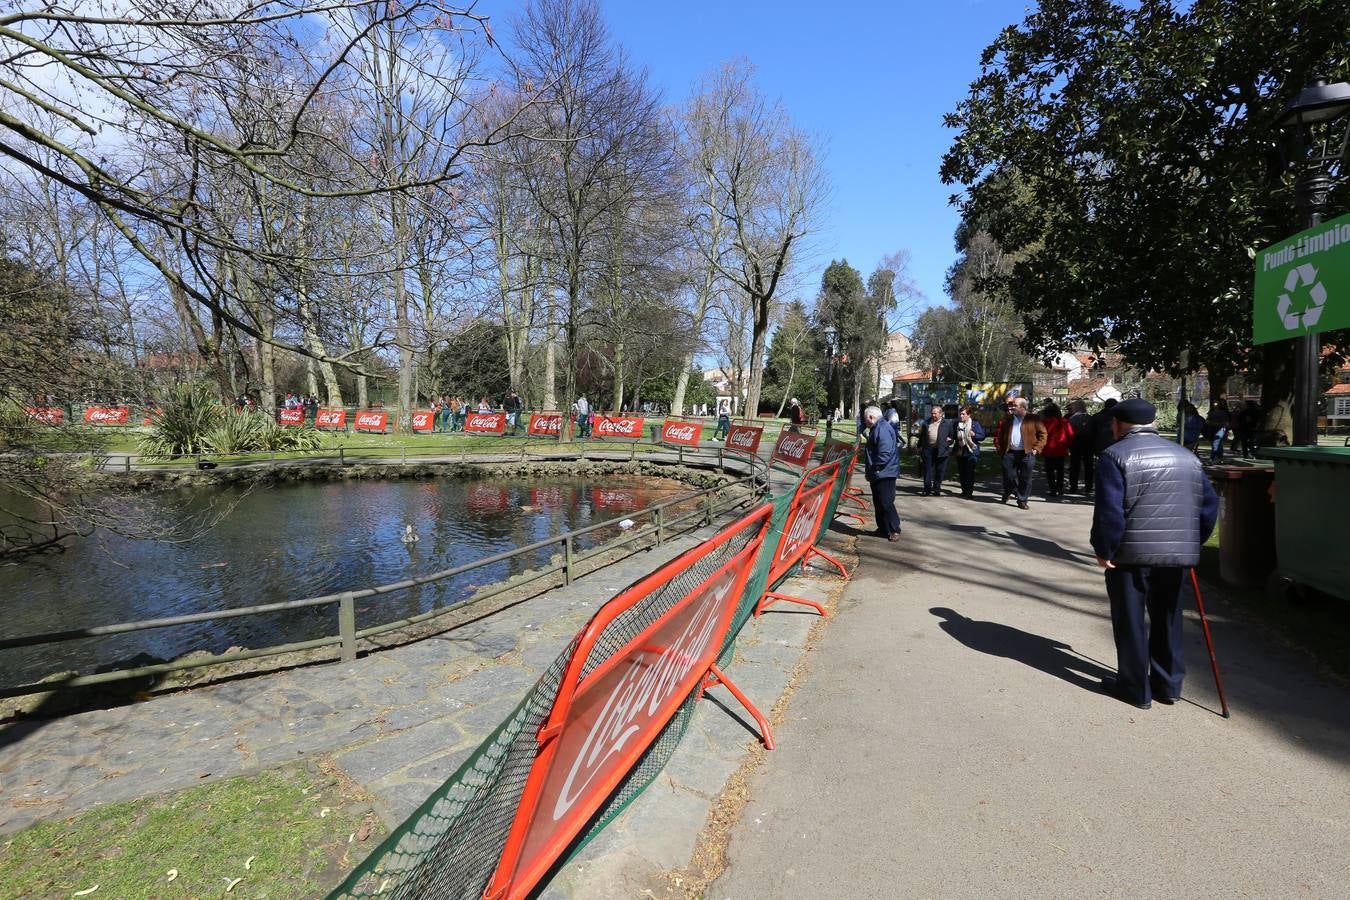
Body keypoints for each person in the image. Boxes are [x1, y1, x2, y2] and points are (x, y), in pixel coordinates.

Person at [1091, 398, 1220, 710]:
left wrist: (1103, 549)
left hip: (1130, 555)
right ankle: (1169, 684)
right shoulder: (1186, 456)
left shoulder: (1114, 455)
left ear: (1119, 424)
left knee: (1130, 621)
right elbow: (1209, 505)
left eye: (1112, 423)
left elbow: (1110, 512)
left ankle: (1135, 687)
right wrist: (1192, 541)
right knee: (1168, 617)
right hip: (1175, 554)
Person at [994, 396, 1047, 509]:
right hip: (1009, 453)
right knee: (1009, 476)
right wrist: (1000, 449)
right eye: (1012, 405)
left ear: (1023, 408)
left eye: (1015, 406)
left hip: (1027, 453)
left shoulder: (1033, 419)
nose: (1012, 407)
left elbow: (1043, 434)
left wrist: (1036, 448)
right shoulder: (1008, 420)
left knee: (1025, 478)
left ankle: (1022, 500)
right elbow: (1000, 435)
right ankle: (1008, 491)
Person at [862, 405, 901, 542]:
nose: (864, 422)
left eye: (865, 419)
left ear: (871, 417)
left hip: (884, 472)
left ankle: (894, 529)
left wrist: (874, 467)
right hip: (879, 472)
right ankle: (883, 528)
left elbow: (884, 453)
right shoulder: (877, 427)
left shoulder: (882, 428)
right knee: (878, 502)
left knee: (886, 502)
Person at [915, 404, 956, 496]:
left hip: (942, 450)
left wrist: (950, 441)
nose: (933, 415)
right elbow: (922, 437)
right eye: (932, 413)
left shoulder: (948, 423)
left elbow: (952, 436)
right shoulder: (926, 423)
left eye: (935, 413)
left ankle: (937, 488)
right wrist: (919, 447)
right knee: (927, 470)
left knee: (940, 471)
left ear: (941, 414)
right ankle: (927, 489)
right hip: (928, 449)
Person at [1085, 398, 1120, 494]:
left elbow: (1088, 432)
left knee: (1099, 468)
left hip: (1099, 447)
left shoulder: (1096, 417)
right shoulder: (1119, 418)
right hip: (1116, 447)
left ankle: (1094, 487)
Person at [1041, 402, 1074, 497]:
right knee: (1060, 470)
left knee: (1049, 471)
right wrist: (1068, 445)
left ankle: (1053, 489)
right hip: (1061, 448)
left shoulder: (1045, 422)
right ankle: (1060, 488)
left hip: (1048, 450)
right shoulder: (1064, 422)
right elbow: (1070, 435)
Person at [953, 406, 985, 499]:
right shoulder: (957, 424)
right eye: (960, 413)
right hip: (960, 451)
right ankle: (964, 490)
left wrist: (974, 434)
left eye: (963, 414)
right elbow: (954, 436)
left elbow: (982, 436)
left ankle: (969, 493)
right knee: (962, 472)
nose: (961, 416)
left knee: (969, 473)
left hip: (971, 451)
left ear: (969, 415)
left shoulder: (974, 424)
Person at [1067, 400, 1093, 494]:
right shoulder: (1090, 418)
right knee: (1088, 466)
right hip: (1088, 444)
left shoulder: (1072, 419)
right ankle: (1088, 487)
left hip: (1076, 443)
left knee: (1074, 466)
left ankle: (1073, 486)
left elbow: (1069, 433)